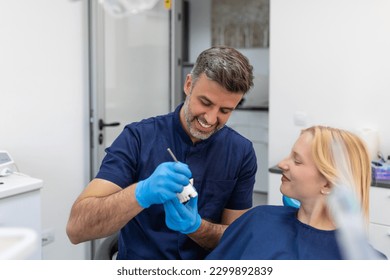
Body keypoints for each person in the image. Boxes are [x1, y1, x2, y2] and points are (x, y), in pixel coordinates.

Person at [66, 46, 257, 259]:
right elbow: (76, 229)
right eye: (205, 103)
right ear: (188, 84)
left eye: (225, 111)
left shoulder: (241, 152)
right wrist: (141, 193)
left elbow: (238, 238)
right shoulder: (137, 138)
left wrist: (196, 227)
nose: (211, 119)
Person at [205, 125, 386, 260]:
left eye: (297, 161)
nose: (282, 163)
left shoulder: (363, 261)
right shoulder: (257, 219)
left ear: (329, 185)